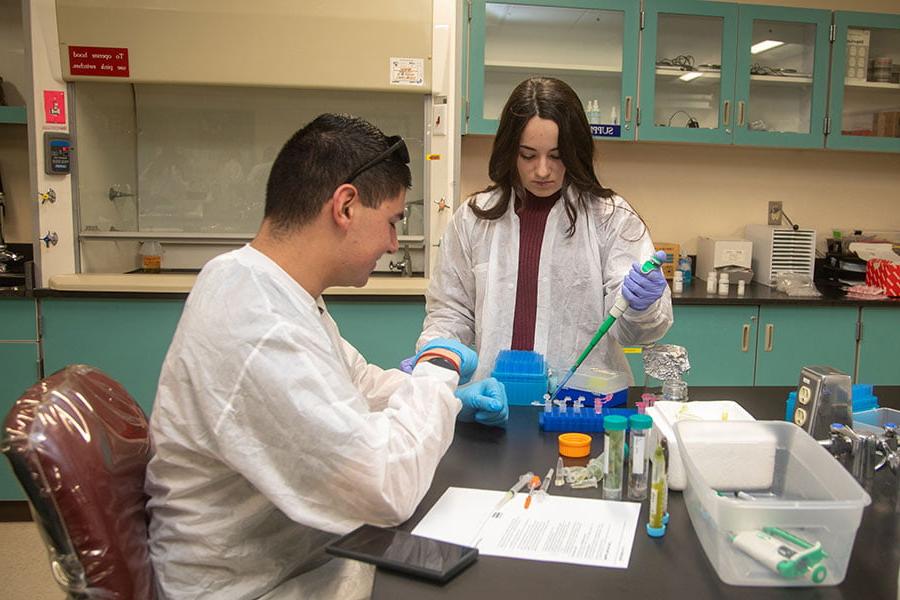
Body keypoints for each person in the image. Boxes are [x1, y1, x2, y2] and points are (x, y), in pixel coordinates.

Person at [144, 114, 508, 600]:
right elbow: (386, 490)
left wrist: (454, 399)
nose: (393, 243)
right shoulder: (258, 322)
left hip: (296, 555)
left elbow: (357, 384)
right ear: (346, 206)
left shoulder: (263, 285)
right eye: (393, 222)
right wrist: (436, 367)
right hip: (248, 587)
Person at [418, 77, 673, 383]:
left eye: (556, 155)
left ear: (575, 150)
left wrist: (641, 306)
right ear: (510, 151)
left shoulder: (611, 218)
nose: (542, 170)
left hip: (583, 406)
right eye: (528, 155)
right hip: (496, 403)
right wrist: (435, 365)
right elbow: (450, 314)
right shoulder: (473, 219)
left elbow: (633, 332)